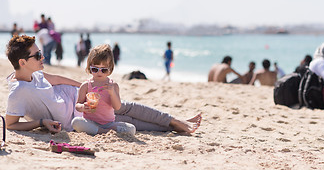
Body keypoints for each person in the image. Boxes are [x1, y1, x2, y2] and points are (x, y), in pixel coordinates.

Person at [5, 35, 201, 134]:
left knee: (126, 107)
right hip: (80, 114)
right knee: (130, 120)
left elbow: (55, 79)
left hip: (81, 97)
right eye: (38, 55)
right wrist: (41, 123)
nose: (43, 56)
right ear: (22, 62)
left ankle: (174, 121)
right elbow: (11, 125)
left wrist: (85, 85)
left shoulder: (34, 74)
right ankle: (173, 126)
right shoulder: (19, 91)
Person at [71, 44, 136, 136]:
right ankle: (103, 132)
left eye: (104, 70)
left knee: (131, 129)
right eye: (95, 69)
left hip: (109, 124)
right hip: (90, 122)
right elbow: (77, 104)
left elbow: (117, 107)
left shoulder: (113, 86)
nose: (99, 72)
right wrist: (82, 107)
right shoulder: (86, 85)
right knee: (76, 122)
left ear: (110, 69)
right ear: (89, 67)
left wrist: (112, 92)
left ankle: (100, 130)